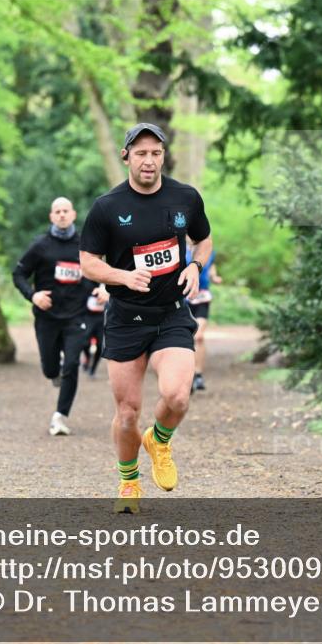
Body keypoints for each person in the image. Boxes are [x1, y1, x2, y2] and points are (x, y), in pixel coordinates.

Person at [79, 122, 213, 514]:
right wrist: (122, 276)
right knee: (126, 414)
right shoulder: (107, 207)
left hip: (171, 314)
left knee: (176, 396)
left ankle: (159, 439)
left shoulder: (185, 197)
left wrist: (195, 266)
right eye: (141, 153)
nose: (149, 161)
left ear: (163, 156)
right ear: (126, 157)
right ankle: (128, 482)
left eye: (155, 153)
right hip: (125, 318)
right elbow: (88, 263)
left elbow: (202, 238)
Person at [13, 197, 109, 436]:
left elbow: (102, 271)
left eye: (66, 211)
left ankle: (60, 416)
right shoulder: (40, 246)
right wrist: (33, 296)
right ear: (51, 217)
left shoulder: (84, 246)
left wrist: (104, 288)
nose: (62, 215)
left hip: (77, 315)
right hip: (47, 316)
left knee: (73, 364)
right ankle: (54, 374)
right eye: (58, 211)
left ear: (74, 215)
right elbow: (19, 274)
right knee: (50, 368)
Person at [185, 242, 222, 393]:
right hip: (183, 298)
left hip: (202, 297)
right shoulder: (178, 248)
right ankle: (186, 376)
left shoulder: (208, 249)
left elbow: (211, 266)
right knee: (186, 337)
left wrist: (214, 276)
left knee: (198, 337)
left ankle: (198, 374)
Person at [81, 287, 107, 379]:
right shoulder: (88, 282)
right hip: (88, 318)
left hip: (102, 319)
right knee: (84, 343)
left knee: (100, 347)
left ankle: (93, 370)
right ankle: (87, 359)